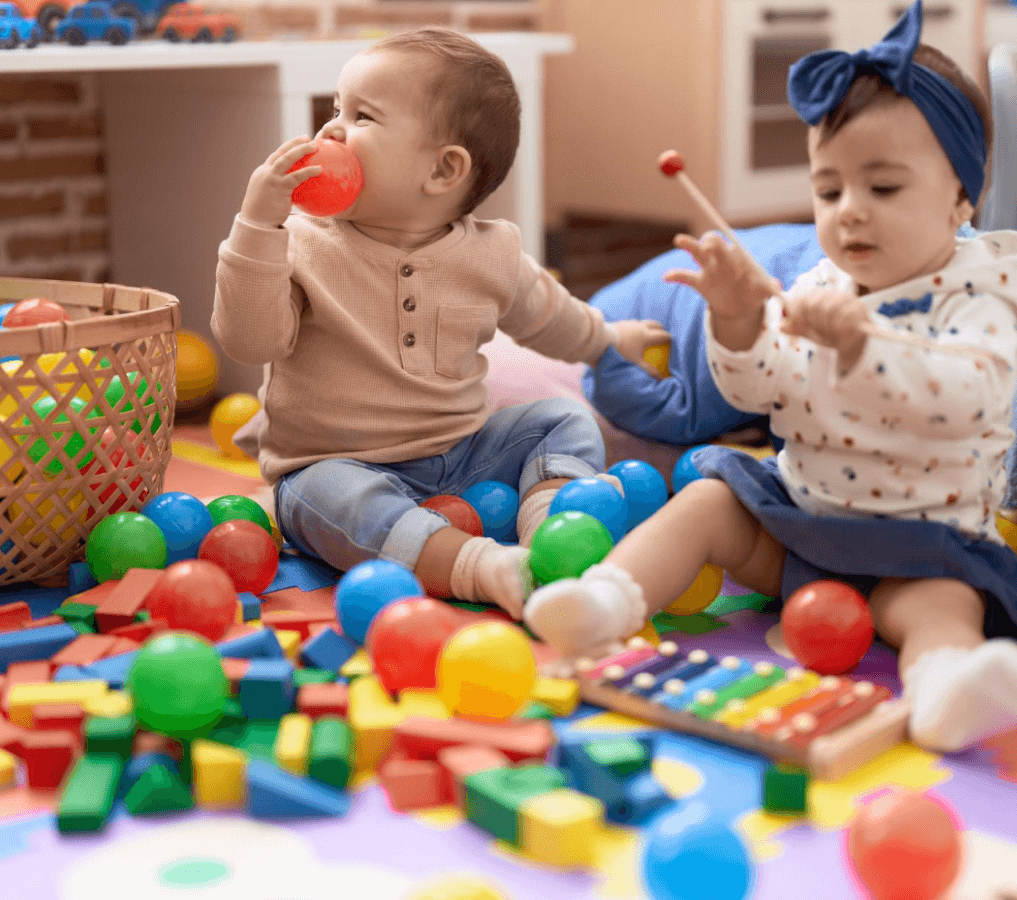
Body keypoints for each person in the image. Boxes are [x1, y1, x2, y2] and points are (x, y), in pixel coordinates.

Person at [524, 0, 1017, 753]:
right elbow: (760, 391)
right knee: (707, 500)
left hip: (922, 544)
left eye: (881, 189)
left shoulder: (983, 295)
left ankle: (943, 687)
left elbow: (965, 398)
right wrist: (736, 324)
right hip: (800, 525)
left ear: (961, 197)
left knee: (941, 607)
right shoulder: (820, 282)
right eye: (828, 191)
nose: (849, 213)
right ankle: (605, 600)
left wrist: (864, 350)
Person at [211, 27, 669, 621]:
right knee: (315, 496)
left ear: (444, 170)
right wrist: (257, 228)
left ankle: (550, 536)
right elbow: (250, 340)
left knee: (561, 419)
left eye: (362, 117)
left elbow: (549, 318)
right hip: (337, 463)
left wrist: (609, 338)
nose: (330, 131)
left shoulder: (492, 254)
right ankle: (480, 567)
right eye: (334, 110)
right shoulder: (297, 243)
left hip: (462, 455)